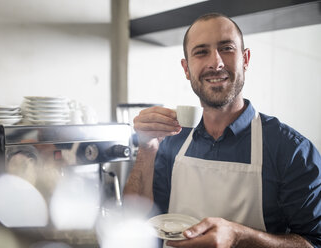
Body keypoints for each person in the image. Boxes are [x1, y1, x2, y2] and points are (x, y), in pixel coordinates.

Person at [123, 12, 321, 248]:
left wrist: (240, 236)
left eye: (226, 48)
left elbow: (313, 242)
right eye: (201, 51)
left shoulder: (292, 150)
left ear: (245, 59)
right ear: (186, 69)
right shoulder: (171, 139)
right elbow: (134, 221)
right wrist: (146, 149)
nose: (215, 62)